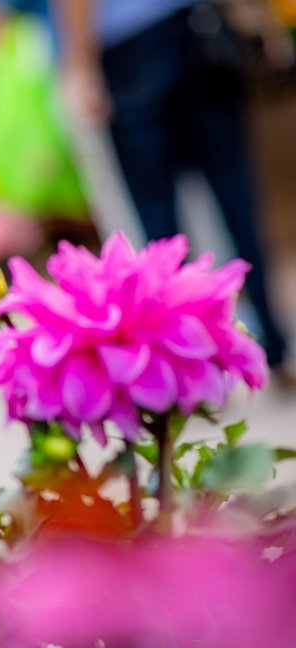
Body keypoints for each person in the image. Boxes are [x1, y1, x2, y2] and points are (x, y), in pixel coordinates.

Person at [53, 0, 295, 385]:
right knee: (238, 200)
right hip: (195, 31)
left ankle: (190, 366)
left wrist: (80, 64)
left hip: (133, 50)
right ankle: (275, 347)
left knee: (159, 221)